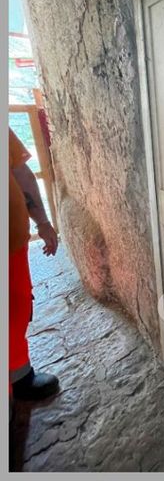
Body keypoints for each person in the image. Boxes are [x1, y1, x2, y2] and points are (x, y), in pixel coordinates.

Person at [9, 127, 60, 401]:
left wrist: (42, 222)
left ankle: (19, 377)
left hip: (11, 245)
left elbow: (21, 173)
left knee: (16, 309)